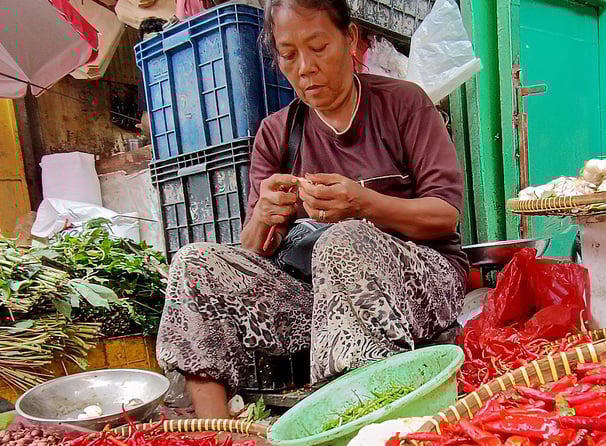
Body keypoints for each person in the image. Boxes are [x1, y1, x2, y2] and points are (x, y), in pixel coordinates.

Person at [156, 0, 467, 418]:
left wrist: (363, 203)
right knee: (194, 263)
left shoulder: (403, 104)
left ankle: (361, 422)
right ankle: (221, 444)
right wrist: (265, 215)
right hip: (319, 302)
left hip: (423, 283)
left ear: (350, 39)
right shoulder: (276, 132)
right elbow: (251, 250)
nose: (305, 67)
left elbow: (445, 215)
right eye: (288, 55)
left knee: (343, 241)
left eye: (318, 47)